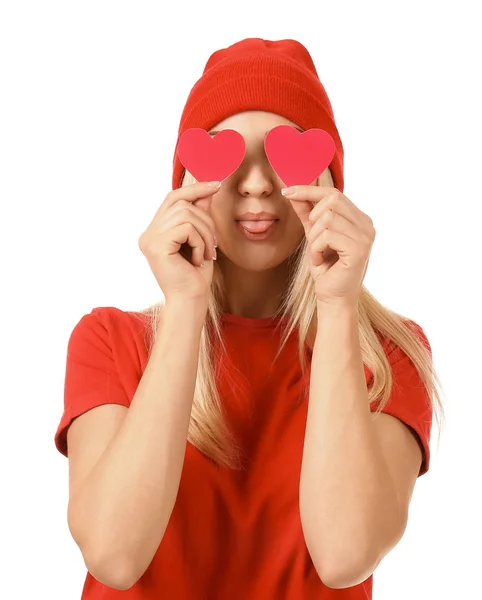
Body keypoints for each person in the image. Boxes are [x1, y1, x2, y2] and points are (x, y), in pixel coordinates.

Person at [54, 38, 444, 599]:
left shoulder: (388, 355)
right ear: (186, 184)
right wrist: (187, 303)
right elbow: (114, 555)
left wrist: (337, 303)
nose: (257, 183)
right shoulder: (110, 340)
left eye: (282, 156)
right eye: (228, 155)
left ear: (328, 180)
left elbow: (344, 556)